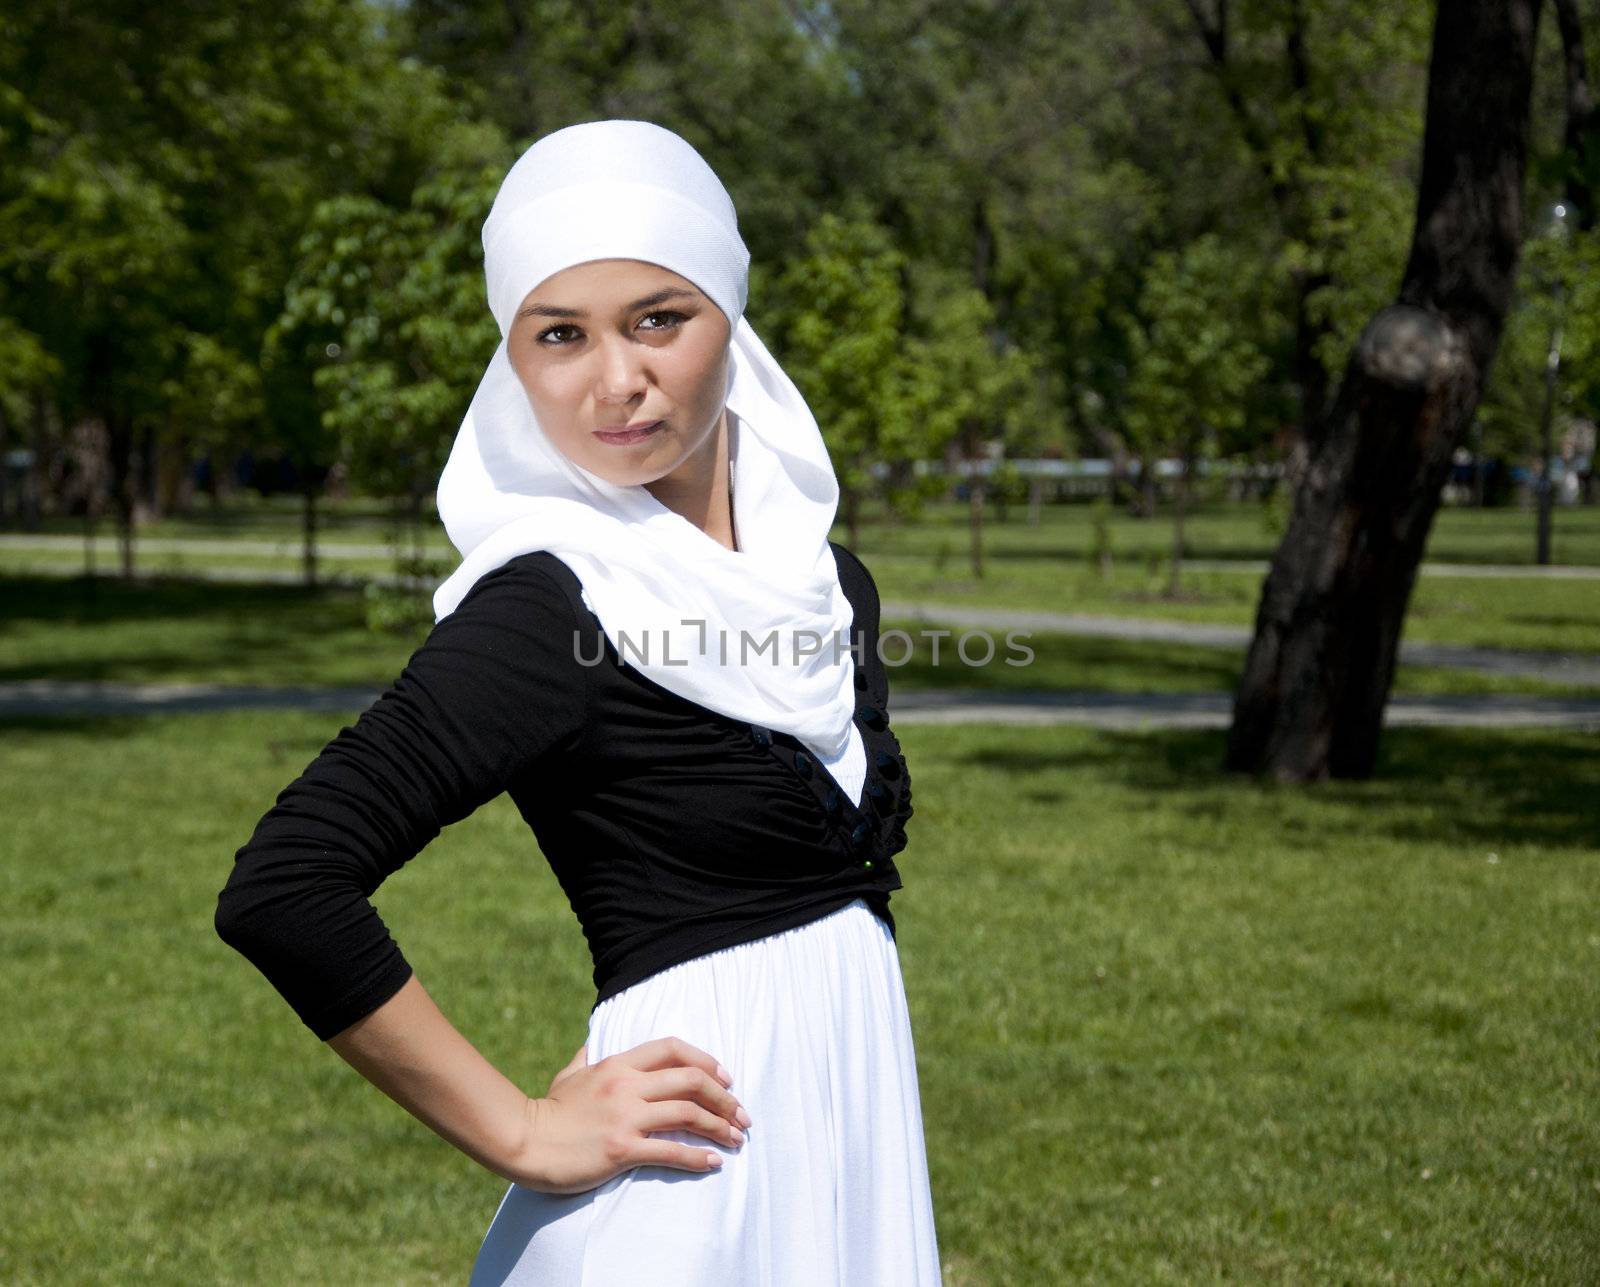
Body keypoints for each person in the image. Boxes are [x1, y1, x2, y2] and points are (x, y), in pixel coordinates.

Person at [213, 119, 941, 1284]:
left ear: (729, 314)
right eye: (560, 335)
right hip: (689, 1188)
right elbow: (287, 884)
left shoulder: (824, 580)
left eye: (661, 317)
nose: (618, 380)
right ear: (514, 359)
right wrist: (523, 1130)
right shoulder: (549, 610)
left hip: (841, 1146)